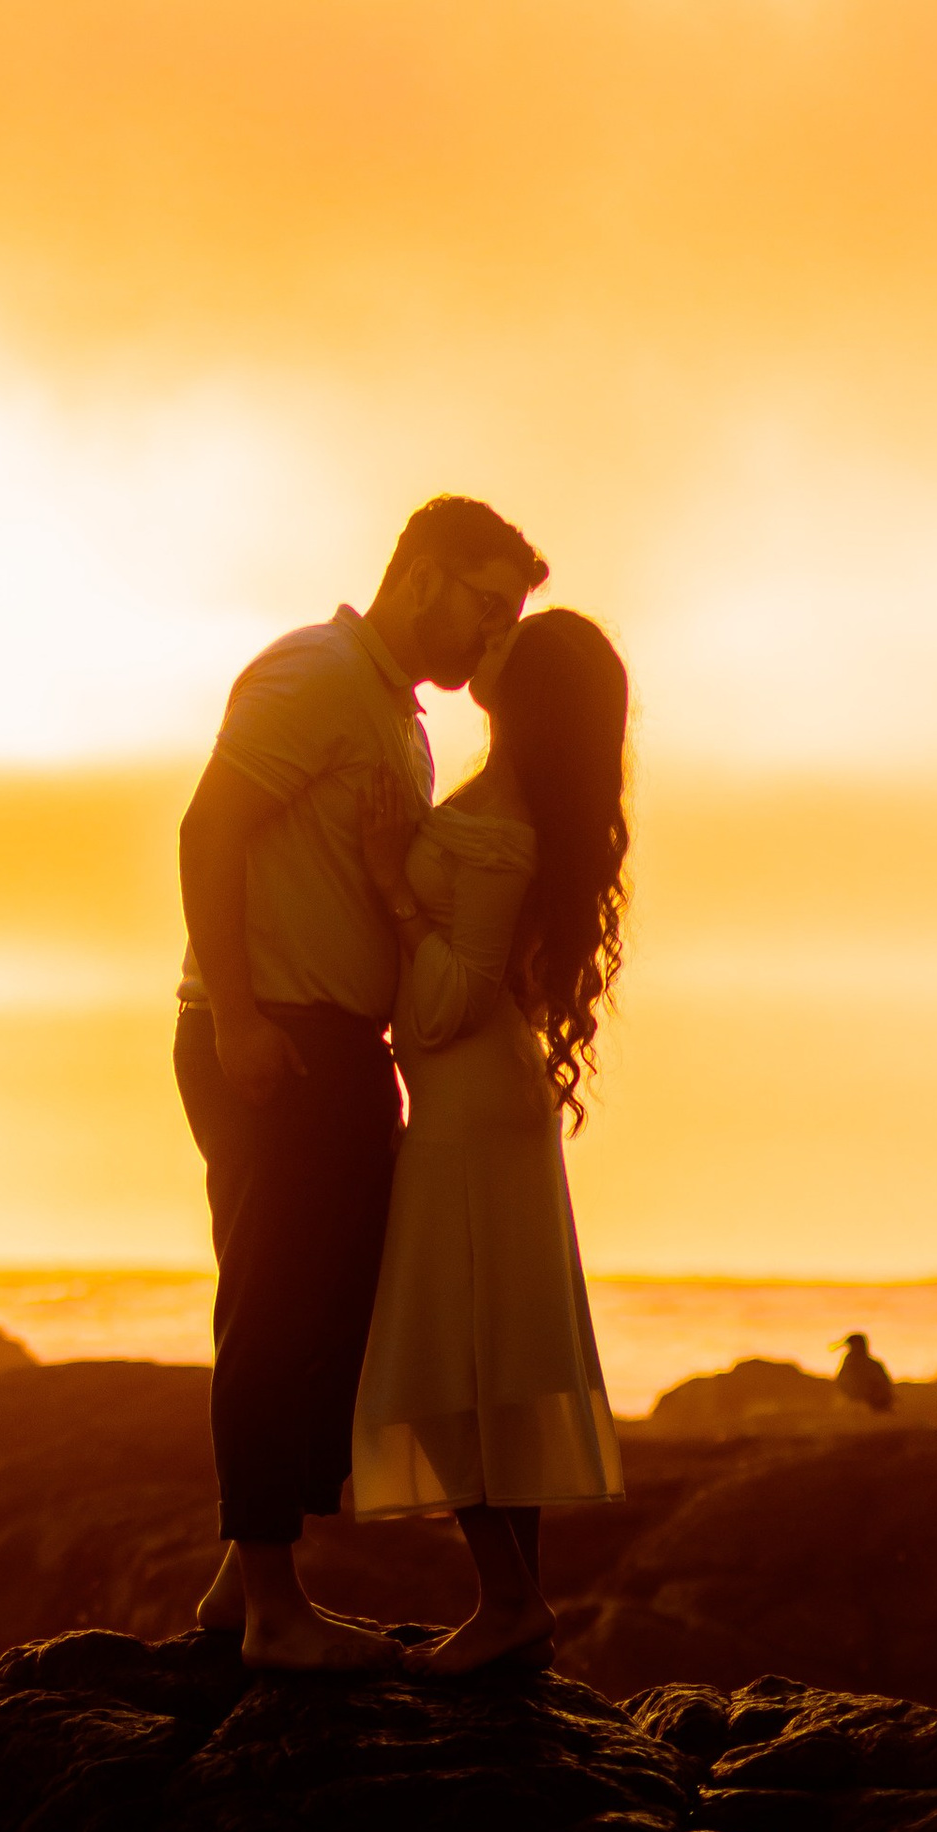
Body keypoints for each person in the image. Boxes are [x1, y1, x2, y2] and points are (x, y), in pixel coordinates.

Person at [174, 497, 548, 1671]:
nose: (493, 636)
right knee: (275, 1309)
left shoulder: (395, 716)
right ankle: (273, 1609)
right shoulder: (314, 673)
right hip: (275, 1036)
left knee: (337, 1314)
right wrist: (237, 1018)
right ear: (423, 575)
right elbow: (206, 831)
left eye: (509, 620)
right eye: (487, 606)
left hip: (340, 1048)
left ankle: (242, 1585)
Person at [348, 609, 630, 1668]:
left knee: (446, 1348)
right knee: (494, 1346)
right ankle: (516, 1606)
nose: (490, 639)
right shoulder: (502, 809)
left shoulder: (499, 835)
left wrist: (391, 884)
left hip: (469, 1107)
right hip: (481, 1104)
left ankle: (511, 1602)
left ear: (531, 696)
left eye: (514, 641)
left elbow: (442, 1009)